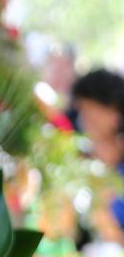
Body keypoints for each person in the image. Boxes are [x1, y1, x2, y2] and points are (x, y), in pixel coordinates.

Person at [72, 69, 124, 243]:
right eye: (82, 109)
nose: (84, 117)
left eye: (90, 109)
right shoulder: (79, 160)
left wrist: (109, 228)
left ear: (115, 111)